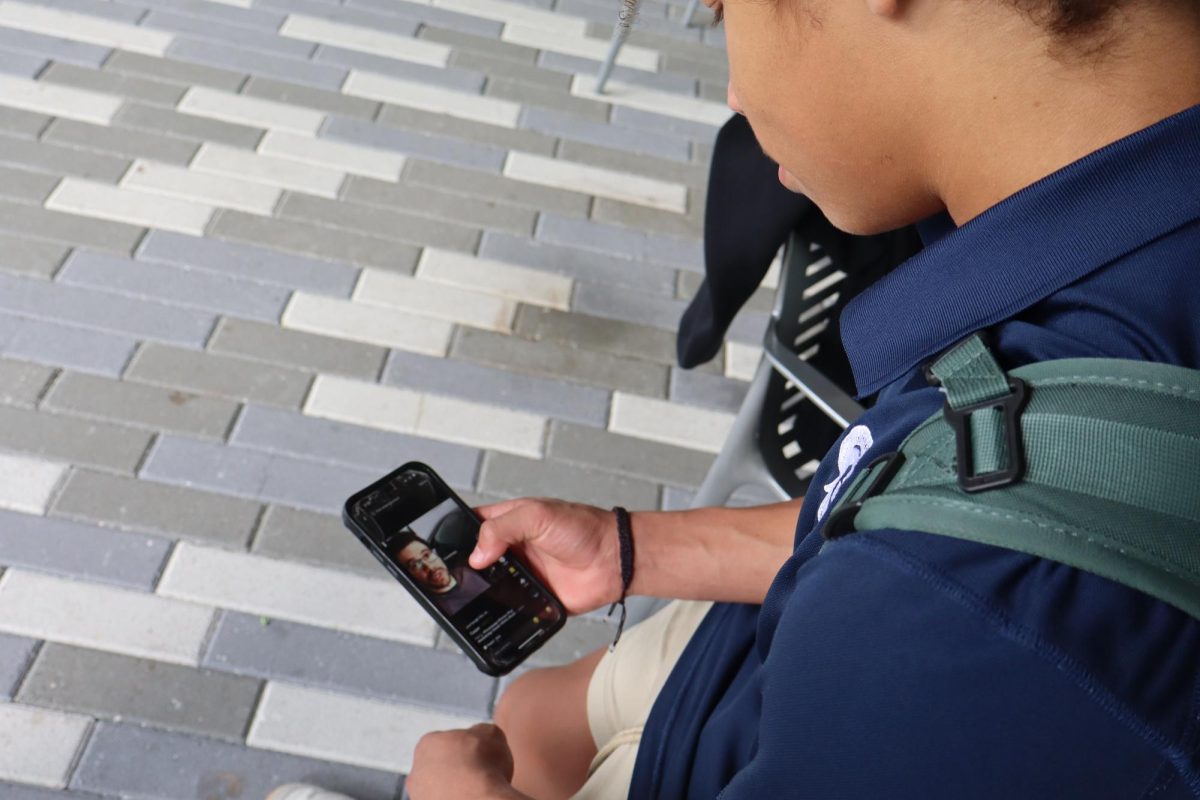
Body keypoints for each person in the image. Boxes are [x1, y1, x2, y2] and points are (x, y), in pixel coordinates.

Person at [272, 0, 1200, 798]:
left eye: (721, 7)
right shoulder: (1097, 256)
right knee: (528, 710)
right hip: (783, 637)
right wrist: (629, 547)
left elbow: (981, 553)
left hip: (808, 694)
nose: (734, 92)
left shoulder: (979, 631)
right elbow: (953, 493)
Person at [394, 531, 490, 617]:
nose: (430, 567)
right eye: (415, 565)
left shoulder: (466, 570)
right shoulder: (436, 608)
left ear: (435, 553)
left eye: (426, 555)